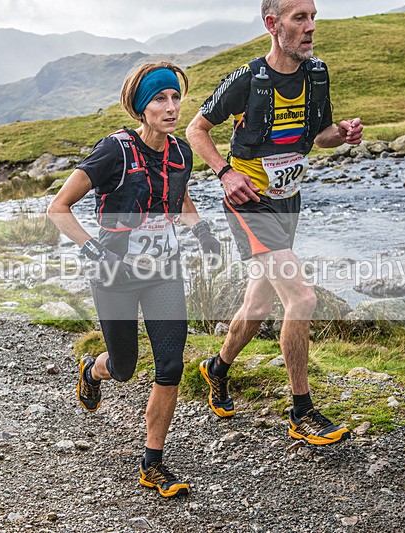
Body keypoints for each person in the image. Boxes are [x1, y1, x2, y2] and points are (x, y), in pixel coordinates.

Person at [185, 0, 362, 446]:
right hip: (249, 203)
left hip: (288, 201)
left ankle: (217, 367)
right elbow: (195, 130)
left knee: (259, 307)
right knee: (301, 298)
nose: (311, 27)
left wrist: (341, 134)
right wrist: (225, 174)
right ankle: (302, 411)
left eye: (314, 17)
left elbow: (318, 136)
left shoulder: (317, 73)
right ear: (272, 24)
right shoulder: (247, 79)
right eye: (300, 18)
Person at [47, 61, 220, 498]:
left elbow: (178, 195)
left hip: (164, 273)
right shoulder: (114, 152)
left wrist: (200, 230)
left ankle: (153, 462)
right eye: (160, 99)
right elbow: (58, 208)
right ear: (141, 109)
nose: (171, 106)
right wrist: (95, 250)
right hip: (113, 274)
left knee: (171, 365)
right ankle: (93, 368)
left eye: (175, 97)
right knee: (123, 368)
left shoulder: (181, 152)